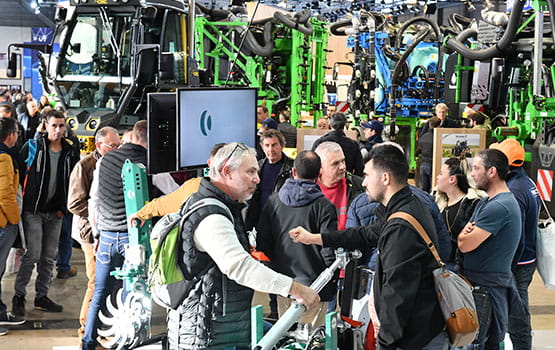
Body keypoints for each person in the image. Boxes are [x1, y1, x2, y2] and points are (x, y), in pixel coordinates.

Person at [290, 144, 447, 349]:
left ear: (385, 178)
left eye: (366, 175)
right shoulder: (405, 206)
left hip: (414, 337)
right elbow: (365, 234)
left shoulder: (400, 228)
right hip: (422, 328)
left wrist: (385, 343)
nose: (363, 182)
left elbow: (397, 295)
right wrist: (315, 238)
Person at [167, 142, 319, 349]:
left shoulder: (222, 206)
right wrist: (295, 289)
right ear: (227, 171)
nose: (257, 178)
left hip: (219, 327)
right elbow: (239, 267)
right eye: (250, 172)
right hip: (205, 336)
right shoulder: (211, 216)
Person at [81, 120, 148, 350]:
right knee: (131, 295)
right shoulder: (147, 162)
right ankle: (124, 343)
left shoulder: (105, 161)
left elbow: (95, 200)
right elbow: (169, 192)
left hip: (107, 236)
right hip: (132, 240)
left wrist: (97, 233)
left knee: (100, 290)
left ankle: (88, 341)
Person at [256, 150, 338, 327]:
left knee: (285, 336)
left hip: (285, 285)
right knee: (311, 341)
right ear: (319, 174)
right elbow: (328, 248)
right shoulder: (324, 207)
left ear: (293, 172)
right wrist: (332, 278)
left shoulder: (273, 202)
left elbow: (263, 242)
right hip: (315, 289)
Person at [12, 110, 78, 317]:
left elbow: (73, 180)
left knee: (49, 257)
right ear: (45, 126)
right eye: (54, 126)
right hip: (33, 211)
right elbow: (19, 176)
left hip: (55, 212)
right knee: (32, 254)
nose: (58, 130)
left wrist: (64, 208)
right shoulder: (32, 147)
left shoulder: (70, 151)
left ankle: (42, 296)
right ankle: (19, 296)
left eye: (61, 126)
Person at [458, 148, 524, 349]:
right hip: (481, 286)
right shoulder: (487, 201)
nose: (473, 174)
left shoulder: (498, 207)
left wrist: (463, 235)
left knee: (482, 343)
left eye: (477, 168)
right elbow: (464, 237)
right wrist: (464, 235)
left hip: (487, 291)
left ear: (492, 172)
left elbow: (464, 244)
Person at [66, 126, 121, 339]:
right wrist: (98, 215)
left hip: (109, 230)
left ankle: (103, 325)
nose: (117, 149)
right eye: (113, 146)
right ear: (99, 145)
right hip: (90, 233)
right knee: (96, 281)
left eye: (119, 145)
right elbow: (74, 203)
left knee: (112, 282)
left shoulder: (115, 162)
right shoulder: (85, 166)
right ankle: (85, 327)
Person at [490, 139, 541, 350]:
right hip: (526, 259)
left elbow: (515, 236)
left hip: (518, 264)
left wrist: (506, 267)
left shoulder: (515, 191)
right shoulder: (525, 181)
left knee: (517, 315)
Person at [128, 143, 226, 227]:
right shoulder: (239, 189)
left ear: (209, 163)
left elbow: (166, 203)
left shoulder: (196, 186)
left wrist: (141, 214)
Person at [0, 117, 25, 335]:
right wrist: (14, 219)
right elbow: (6, 194)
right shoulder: (4, 157)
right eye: (16, 132)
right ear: (10, 135)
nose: (17, 136)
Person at [435, 157, 480, 270]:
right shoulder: (438, 203)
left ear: (452, 179)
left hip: (462, 267)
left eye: (441, 174)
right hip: (441, 264)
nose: (437, 177)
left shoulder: (472, 204)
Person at [245, 129, 294, 231]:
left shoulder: (291, 168)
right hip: (259, 221)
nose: (270, 149)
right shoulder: (257, 167)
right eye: (267, 145)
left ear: (282, 146)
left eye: (274, 145)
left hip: (282, 221)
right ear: (262, 148)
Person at [314, 141, 364, 231]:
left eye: (343, 161)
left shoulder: (360, 186)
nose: (342, 167)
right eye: (335, 163)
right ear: (320, 168)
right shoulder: (308, 191)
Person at [418, 116, 440, 193]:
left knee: (424, 190)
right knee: (433, 190)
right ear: (438, 126)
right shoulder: (438, 138)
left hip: (423, 165)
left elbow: (419, 149)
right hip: (433, 166)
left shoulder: (423, 137)